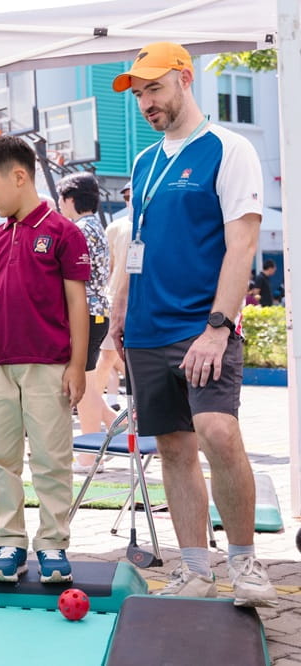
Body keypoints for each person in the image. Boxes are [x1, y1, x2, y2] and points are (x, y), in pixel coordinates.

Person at [110, 42, 277, 607]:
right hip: (148, 328)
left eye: (153, 88)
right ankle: (195, 568)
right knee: (174, 448)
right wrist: (120, 310)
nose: (145, 103)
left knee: (218, 433)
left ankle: (245, 563)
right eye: (138, 95)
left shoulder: (229, 150)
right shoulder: (144, 161)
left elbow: (243, 244)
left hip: (203, 324)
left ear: (184, 79)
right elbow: (138, 245)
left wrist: (218, 327)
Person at [0, 135, 90, 583]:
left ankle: (53, 544)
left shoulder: (64, 233)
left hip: (49, 364)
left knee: (52, 459)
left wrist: (77, 365)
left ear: (19, 176)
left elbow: (78, 304)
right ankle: (9, 543)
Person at [56, 172, 117, 473]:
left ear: (69, 199)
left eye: (60, 200)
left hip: (84, 314)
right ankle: (119, 431)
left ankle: (89, 456)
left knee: (84, 385)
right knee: (87, 383)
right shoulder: (97, 227)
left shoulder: (78, 230)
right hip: (97, 312)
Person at [97, 182, 133, 410]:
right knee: (108, 356)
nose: (130, 200)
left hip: (147, 303)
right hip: (115, 301)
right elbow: (106, 268)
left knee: (137, 358)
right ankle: (94, 400)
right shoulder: (115, 228)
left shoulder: (158, 224)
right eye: (126, 197)